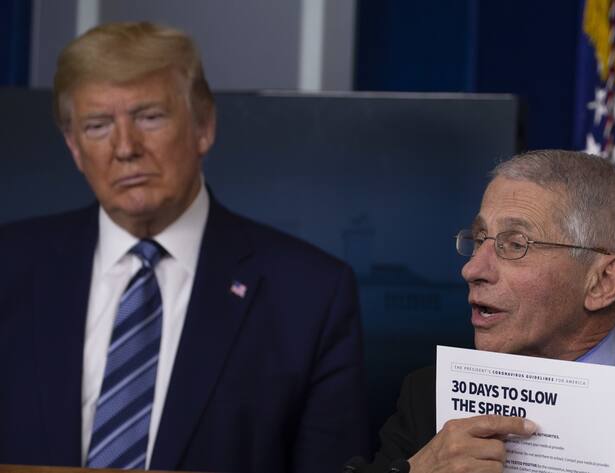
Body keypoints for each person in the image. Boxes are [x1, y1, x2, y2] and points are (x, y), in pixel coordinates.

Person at [0, 22, 368, 472]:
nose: (125, 148)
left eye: (149, 117)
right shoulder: (9, 267)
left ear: (203, 126)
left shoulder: (310, 295)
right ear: (74, 148)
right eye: (98, 126)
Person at [365, 150, 615, 473]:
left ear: (602, 282)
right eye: (478, 239)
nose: (472, 268)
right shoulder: (426, 400)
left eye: (515, 244)